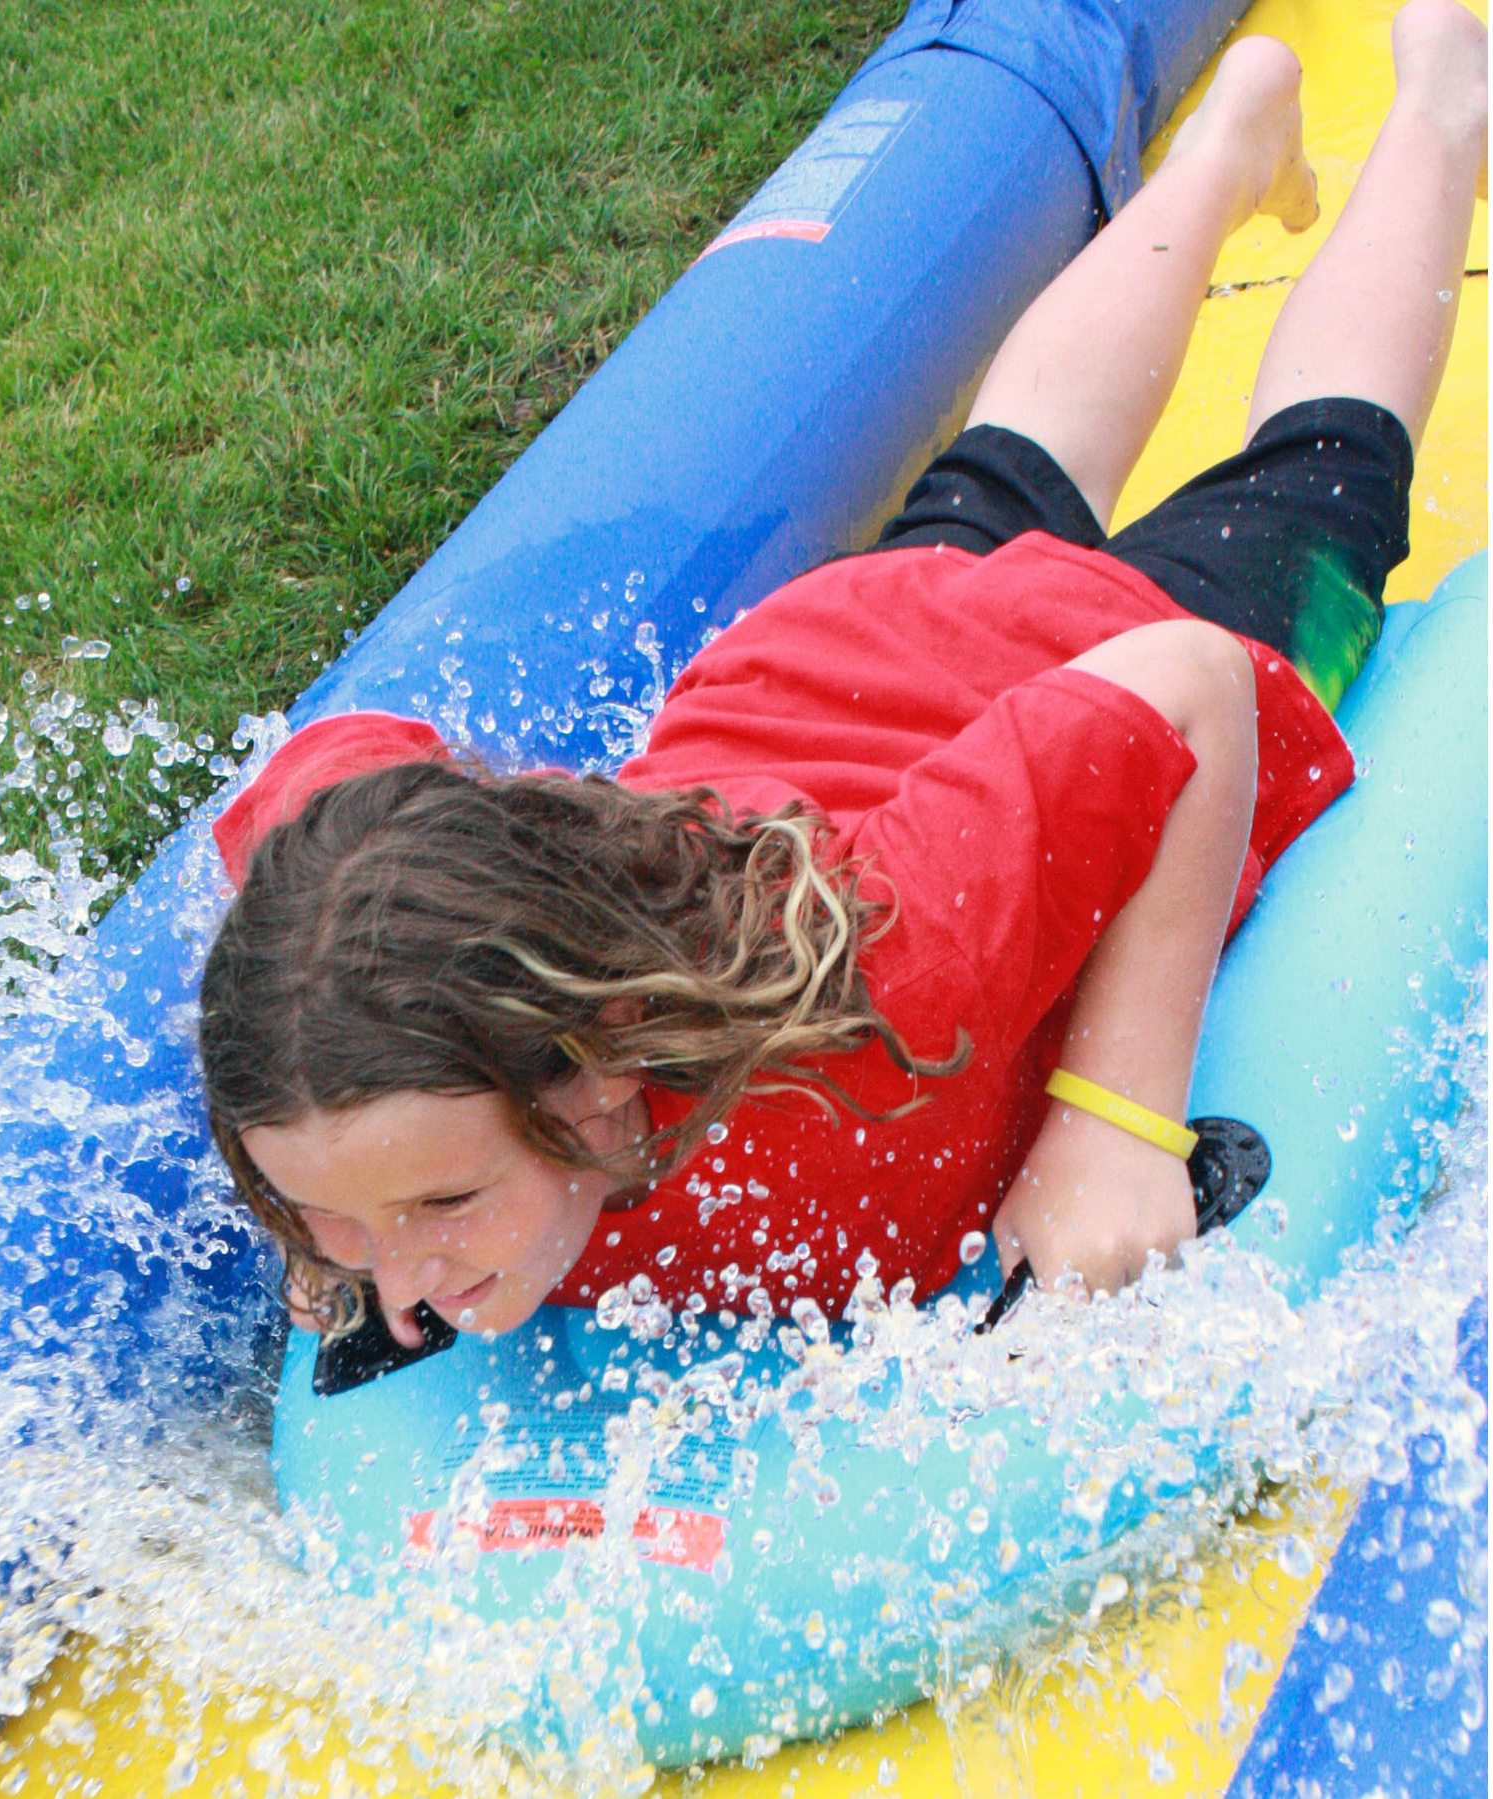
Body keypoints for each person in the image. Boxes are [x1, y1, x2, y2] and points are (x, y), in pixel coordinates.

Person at [200, 1, 1488, 1352]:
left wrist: (1112, 1122)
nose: (398, 1281)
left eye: (440, 1200)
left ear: (603, 1065)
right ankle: (1225, 146)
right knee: (1013, 460)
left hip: (1084, 650)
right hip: (834, 659)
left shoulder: (888, 991)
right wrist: (339, 1201)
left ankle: (1439, 102)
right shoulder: (337, 1001)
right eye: (327, 1217)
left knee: (1320, 464)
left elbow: (1185, 688)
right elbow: (321, 775)